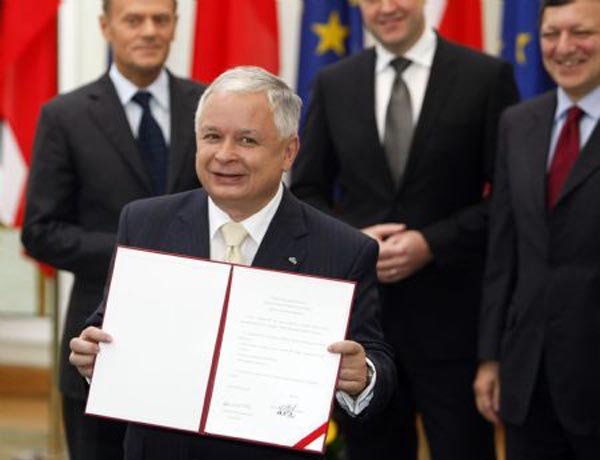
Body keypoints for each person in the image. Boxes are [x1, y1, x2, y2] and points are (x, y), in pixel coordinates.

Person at [68, 66, 396, 460]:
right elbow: (109, 325)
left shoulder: (343, 248)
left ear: (289, 151)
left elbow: (375, 360)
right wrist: (93, 352)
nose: (225, 155)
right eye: (211, 137)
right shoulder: (143, 223)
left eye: (247, 140)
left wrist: (362, 378)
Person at [290, 0, 519, 459]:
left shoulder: (485, 77)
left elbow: (512, 201)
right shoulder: (334, 83)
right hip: (367, 332)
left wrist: (431, 243)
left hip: (455, 327)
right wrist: (357, 238)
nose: (386, 8)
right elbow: (307, 192)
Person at [20, 0, 205, 458]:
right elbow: (40, 230)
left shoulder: (208, 106)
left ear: (175, 27)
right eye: (133, 20)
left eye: (161, 19)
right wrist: (137, 255)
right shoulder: (65, 115)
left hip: (195, 344)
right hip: (99, 343)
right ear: (106, 27)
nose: (148, 31)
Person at [474, 1, 600, 458]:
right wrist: (490, 356)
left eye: (581, 32)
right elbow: (503, 250)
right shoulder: (518, 122)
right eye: (551, 34)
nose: (564, 48)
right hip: (527, 378)